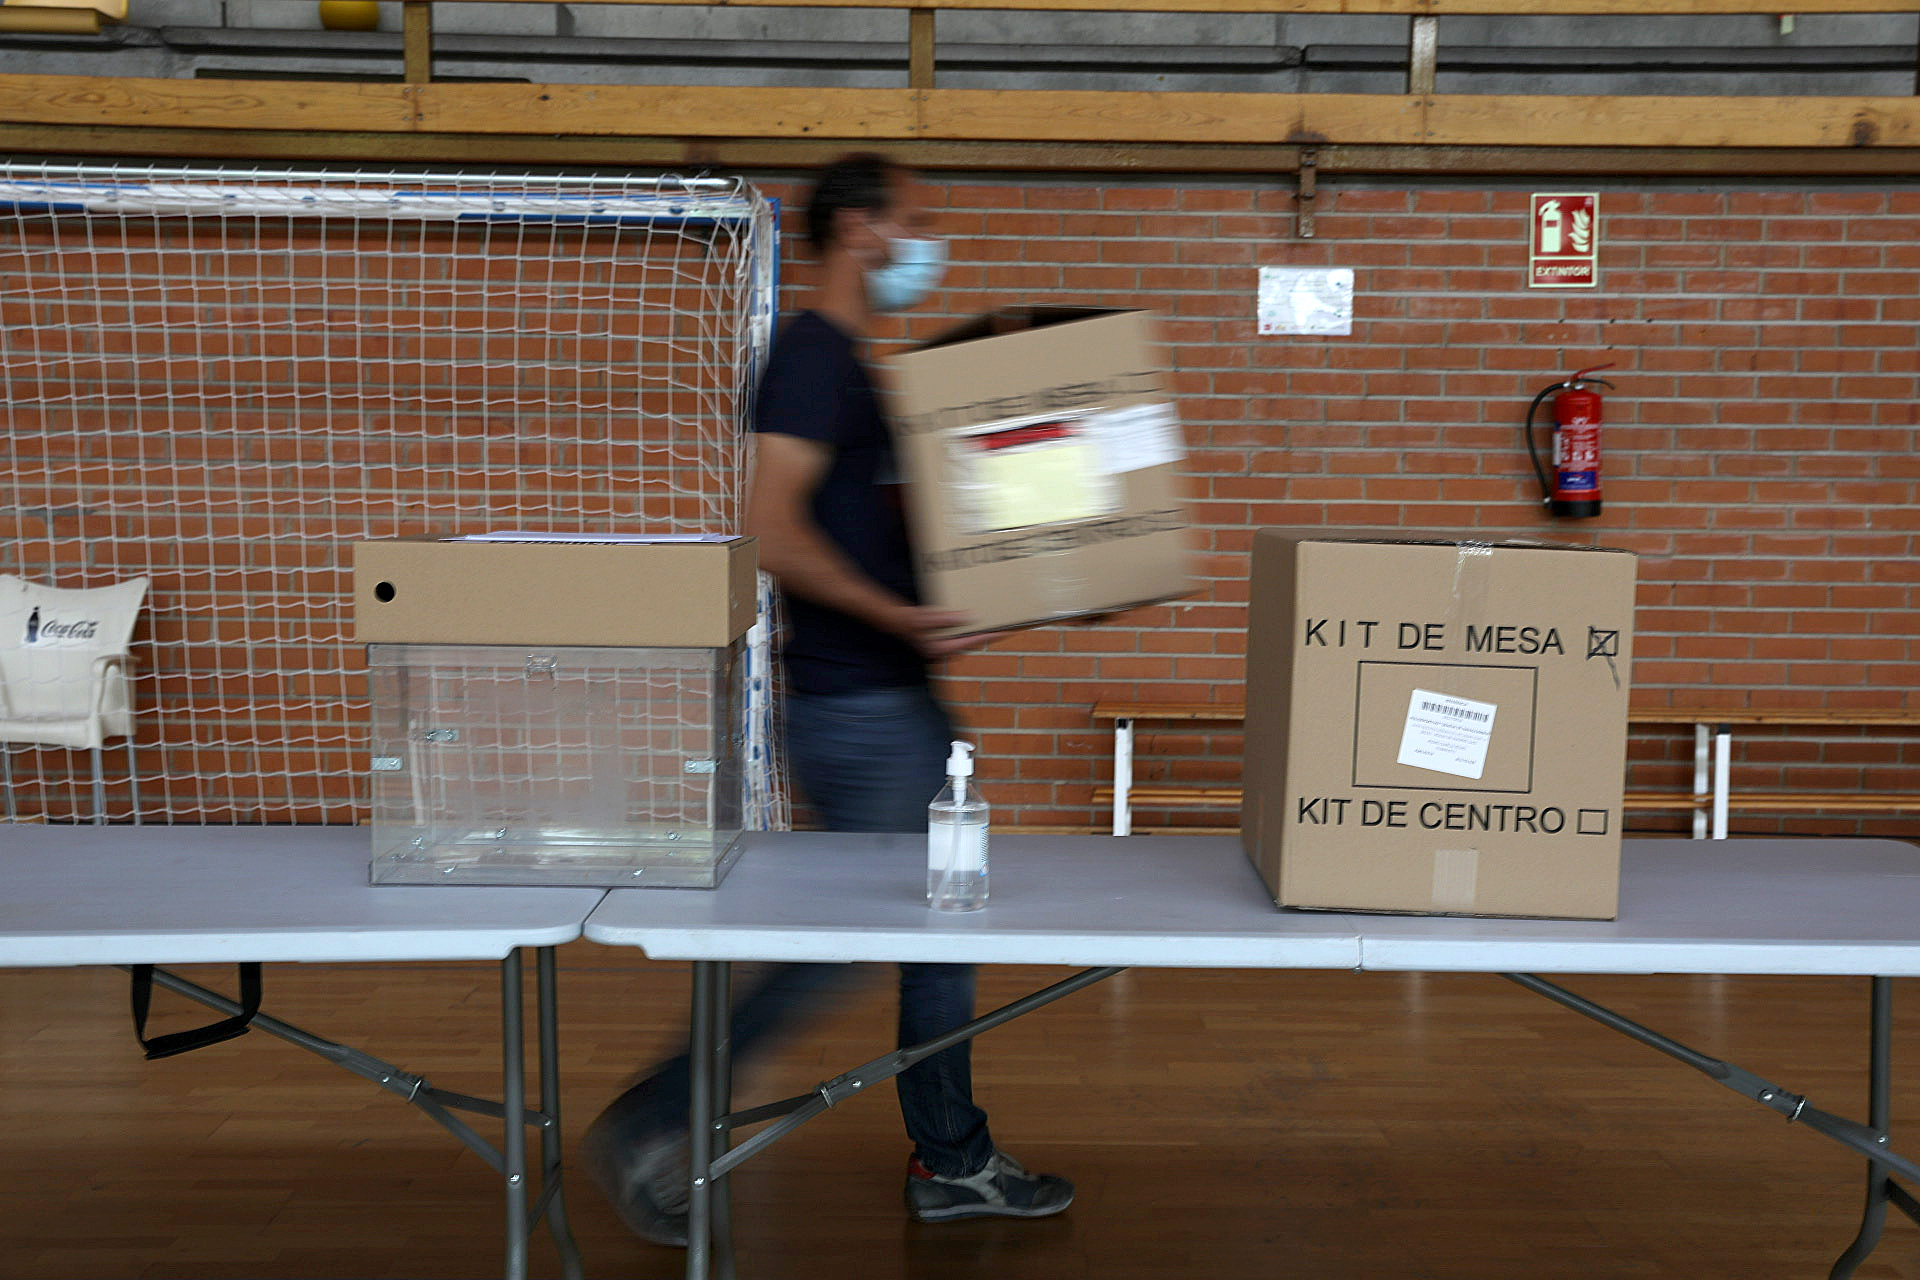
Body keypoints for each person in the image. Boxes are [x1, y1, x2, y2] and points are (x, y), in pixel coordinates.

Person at [582, 153, 1073, 1247]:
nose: (925, 243)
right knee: (854, 942)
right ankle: (659, 1119)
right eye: (915, 221)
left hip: (893, 699)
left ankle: (950, 1153)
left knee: (927, 934)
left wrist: (1021, 585)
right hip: (861, 708)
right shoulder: (812, 358)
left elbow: (880, 540)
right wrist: (902, 621)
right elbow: (776, 531)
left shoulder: (858, 368)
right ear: (858, 228)